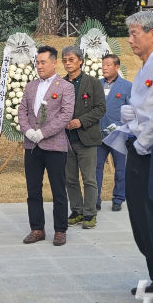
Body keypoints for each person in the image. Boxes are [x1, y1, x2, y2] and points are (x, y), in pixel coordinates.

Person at [104, 11, 153, 303]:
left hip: (151, 152)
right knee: (141, 220)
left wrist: (142, 138)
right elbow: (143, 109)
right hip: (137, 148)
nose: (130, 39)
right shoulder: (145, 66)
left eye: (135, 33)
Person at [17, 46, 75, 246]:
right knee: (33, 189)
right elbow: (22, 110)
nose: (39, 66)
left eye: (43, 62)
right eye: (37, 62)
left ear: (54, 63)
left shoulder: (65, 86)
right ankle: (37, 229)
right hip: (31, 145)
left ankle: (60, 230)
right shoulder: (30, 86)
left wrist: (43, 132)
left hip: (54, 144)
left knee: (58, 190)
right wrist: (28, 131)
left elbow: (65, 115)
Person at [62, 46, 106, 229]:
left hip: (86, 138)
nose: (67, 63)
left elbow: (101, 108)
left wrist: (81, 121)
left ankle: (90, 213)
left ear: (81, 60)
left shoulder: (92, 83)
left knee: (89, 178)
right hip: (65, 140)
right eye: (64, 60)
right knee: (70, 179)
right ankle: (77, 210)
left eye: (71, 59)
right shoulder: (60, 83)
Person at [96, 55, 132, 212]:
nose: (104, 67)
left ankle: (118, 198)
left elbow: (131, 111)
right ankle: (94, 199)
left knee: (120, 168)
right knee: (95, 168)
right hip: (98, 134)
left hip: (118, 135)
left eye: (108, 65)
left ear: (117, 67)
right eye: (103, 65)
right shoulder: (96, 84)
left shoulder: (126, 86)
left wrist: (120, 126)